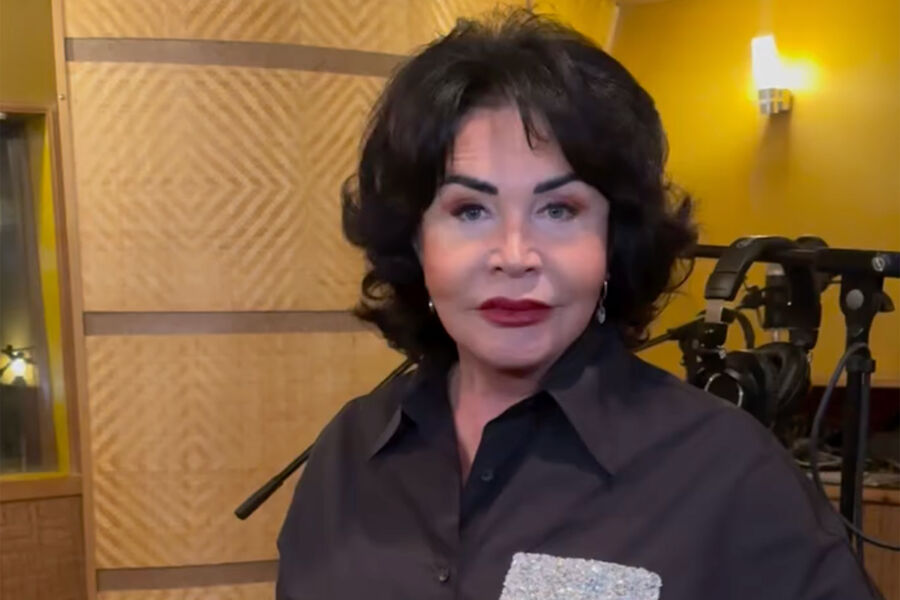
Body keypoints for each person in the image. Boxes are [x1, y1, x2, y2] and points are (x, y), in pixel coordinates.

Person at [276, 9, 878, 600]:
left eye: (559, 210)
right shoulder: (348, 453)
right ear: (415, 239)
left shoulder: (728, 472)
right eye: (470, 210)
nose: (515, 256)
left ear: (614, 240)